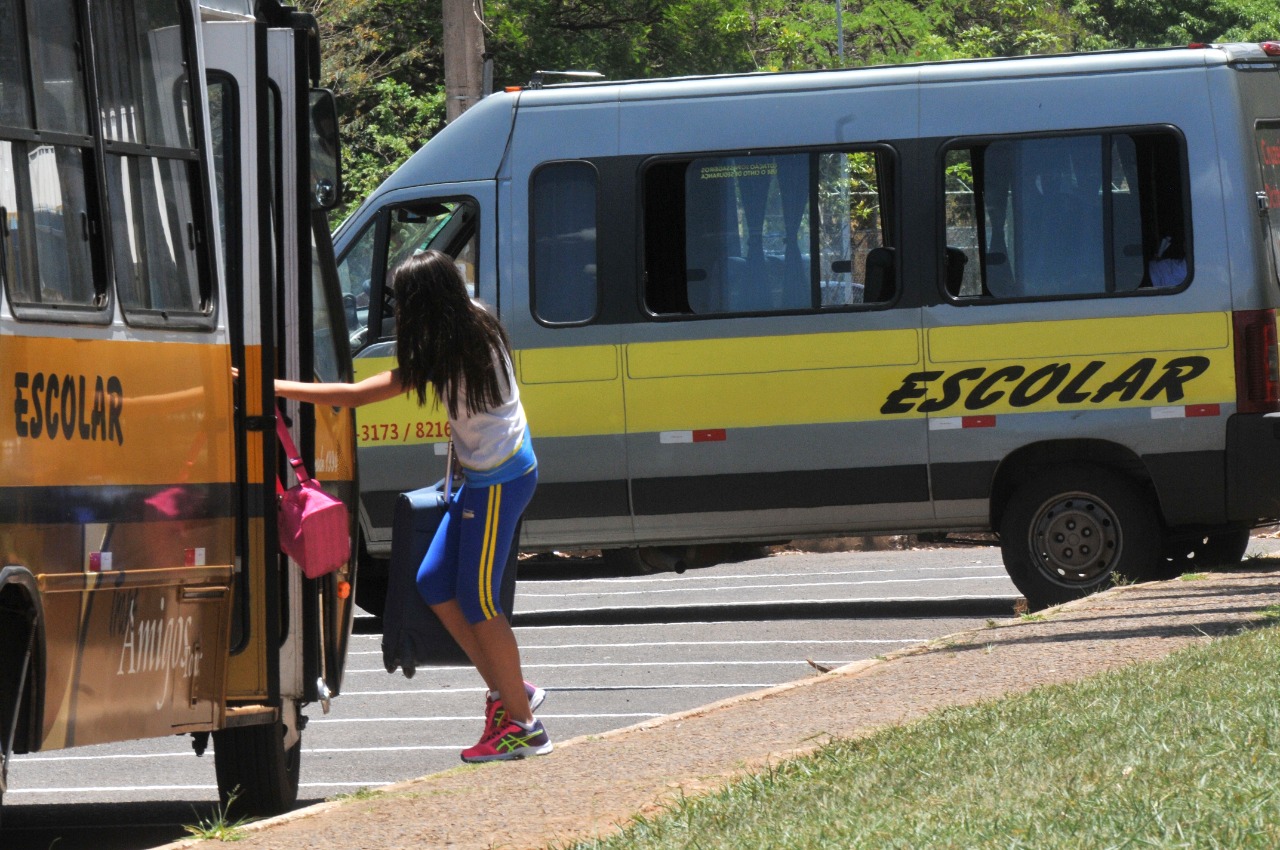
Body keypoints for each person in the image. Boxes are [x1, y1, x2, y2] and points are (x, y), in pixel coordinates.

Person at [274, 250, 550, 763]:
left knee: (479, 601)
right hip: (485, 477)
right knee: (434, 582)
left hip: (500, 479)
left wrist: (270, 387)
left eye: (401, 301)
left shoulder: (452, 347)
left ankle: (524, 727)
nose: (397, 311)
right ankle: (512, 690)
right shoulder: (471, 320)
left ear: (423, 304)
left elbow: (355, 396)